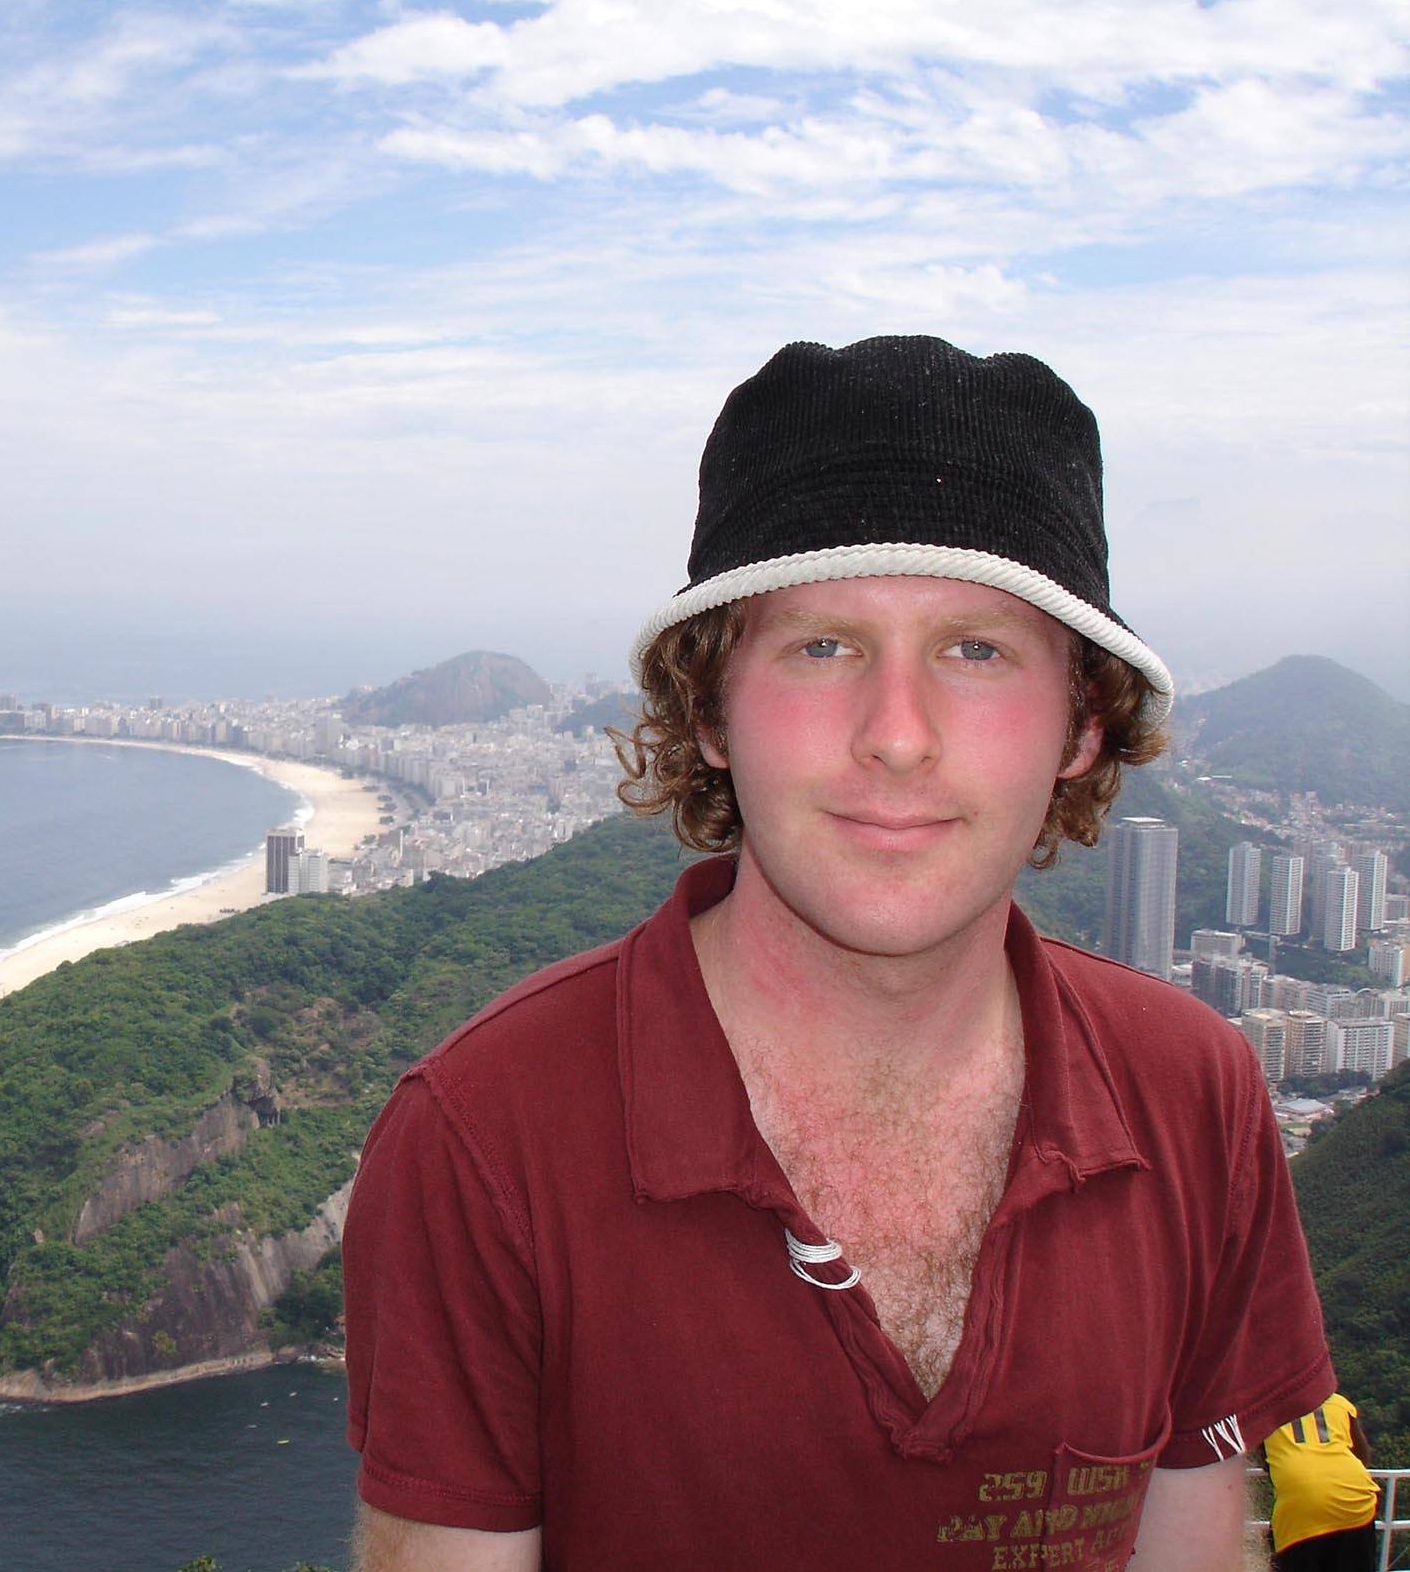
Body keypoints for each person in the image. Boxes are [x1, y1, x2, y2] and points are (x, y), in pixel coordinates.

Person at [340, 335, 1337, 1570]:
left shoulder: (1194, 1094)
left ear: (1083, 725)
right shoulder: (487, 1138)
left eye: (976, 650)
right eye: (823, 646)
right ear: (710, 710)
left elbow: (1193, 1548)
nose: (898, 737)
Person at [1265, 1393, 1380, 1570]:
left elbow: (1264, 1459)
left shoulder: (1263, 1407)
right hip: (1355, 1497)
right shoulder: (1340, 1403)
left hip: (1302, 1504)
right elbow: (1363, 1456)